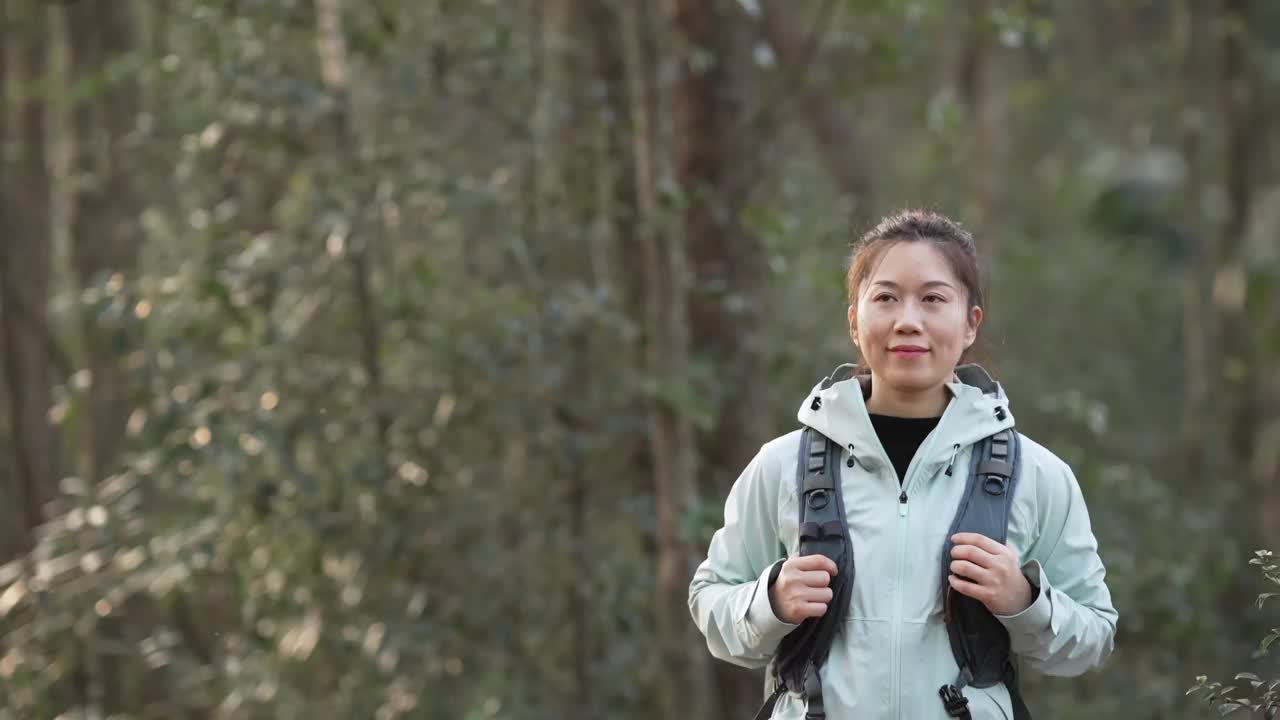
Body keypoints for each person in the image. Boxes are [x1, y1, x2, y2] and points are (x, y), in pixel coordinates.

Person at [688, 210, 1117, 719]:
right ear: (855, 320)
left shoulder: (1036, 475)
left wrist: (1025, 599)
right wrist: (772, 600)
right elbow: (711, 602)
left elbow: (1094, 635)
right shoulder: (783, 466)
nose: (908, 320)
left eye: (933, 299)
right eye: (886, 298)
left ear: (970, 323)